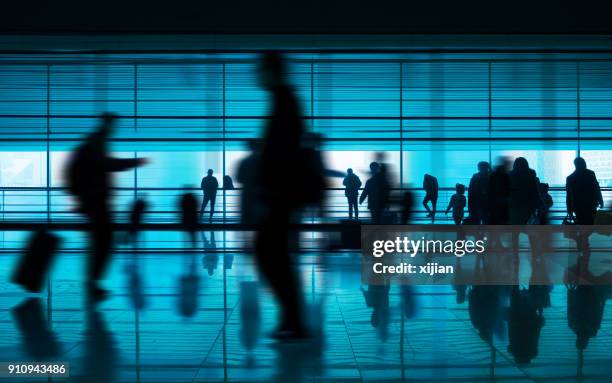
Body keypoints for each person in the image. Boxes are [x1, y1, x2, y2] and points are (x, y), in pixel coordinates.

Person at [254, 51, 322, 341]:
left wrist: (269, 186)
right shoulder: (284, 100)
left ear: (272, 71)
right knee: (275, 254)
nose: (256, 76)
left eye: (260, 70)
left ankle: (293, 319)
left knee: (270, 252)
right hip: (284, 193)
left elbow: (282, 153)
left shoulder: (284, 101)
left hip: (283, 193)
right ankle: (291, 319)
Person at [65, 113, 147, 302]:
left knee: (100, 242)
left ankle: (92, 283)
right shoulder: (96, 142)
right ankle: (92, 284)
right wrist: (135, 162)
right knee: (104, 241)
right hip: (95, 201)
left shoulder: (92, 143)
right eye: (113, 125)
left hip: (92, 200)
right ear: (108, 124)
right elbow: (107, 164)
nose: (114, 129)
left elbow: (102, 165)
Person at [566, 157, 604, 225]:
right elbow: (596, 188)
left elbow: (569, 195)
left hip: (578, 206)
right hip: (591, 205)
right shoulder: (590, 174)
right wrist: (600, 200)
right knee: (591, 223)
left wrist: (569, 209)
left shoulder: (570, 178)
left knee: (582, 225)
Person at [508, 157, 540, 225]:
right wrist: (538, 202)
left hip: (514, 203)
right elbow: (534, 189)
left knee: (515, 226)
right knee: (530, 225)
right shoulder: (531, 173)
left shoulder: (510, 174)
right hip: (528, 203)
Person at [488, 157, 512, 225]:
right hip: (503, 202)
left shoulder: (493, 175)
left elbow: (490, 189)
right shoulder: (507, 175)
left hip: (495, 203)